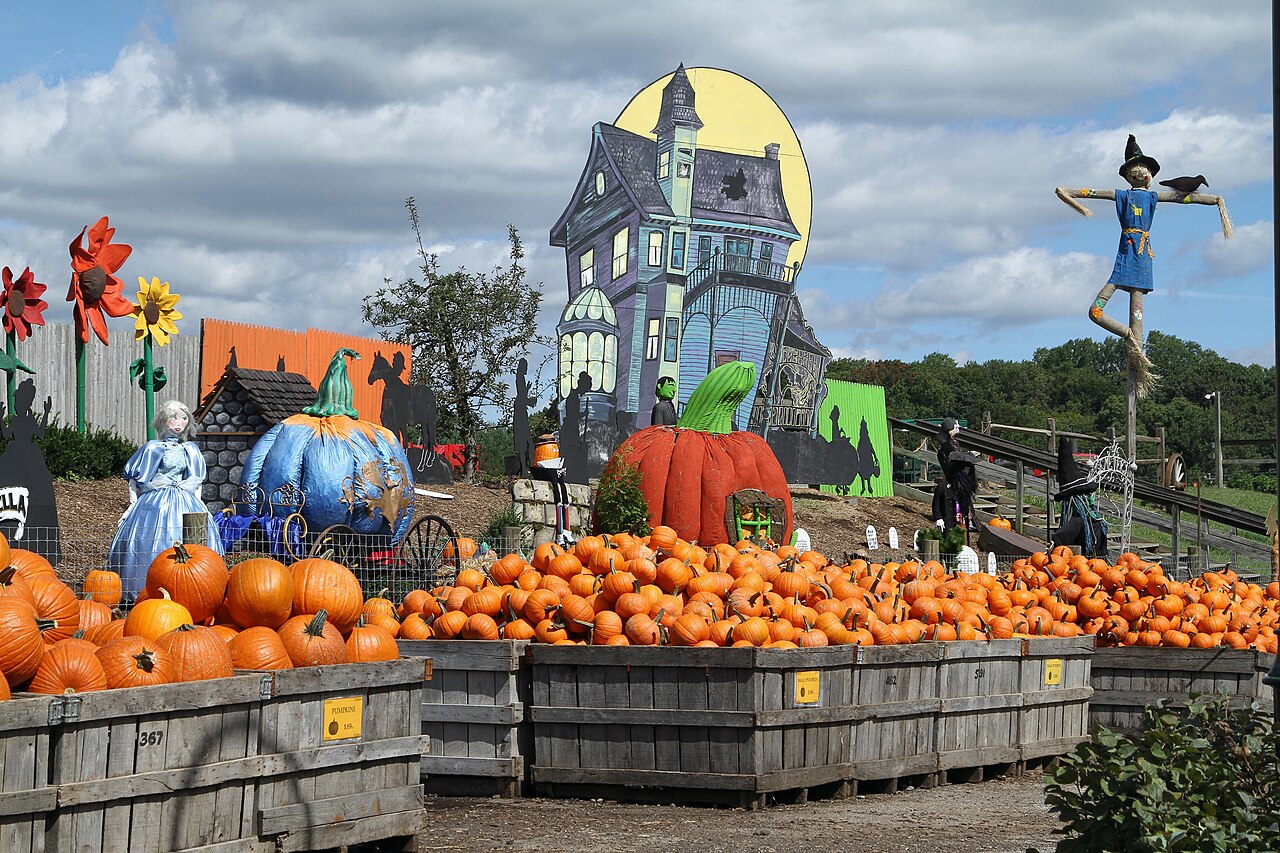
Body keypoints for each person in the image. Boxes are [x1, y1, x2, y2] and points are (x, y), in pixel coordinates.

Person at [108, 400, 223, 602]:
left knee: (194, 537)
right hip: (156, 501)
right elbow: (136, 480)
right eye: (174, 417)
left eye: (184, 418)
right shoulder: (153, 448)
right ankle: (144, 589)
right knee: (148, 540)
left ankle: (197, 590)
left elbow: (195, 481)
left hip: (184, 498)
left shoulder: (190, 450)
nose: (179, 423)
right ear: (164, 420)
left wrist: (200, 504)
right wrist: (132, 506)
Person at [931, 418, 977, 532]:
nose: (958, 428)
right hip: (955, 477)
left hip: (954, 476)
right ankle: (969, 519)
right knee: (963, 496)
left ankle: (968, 519)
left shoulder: (949, 443)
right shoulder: (951, 444)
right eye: (955, 426)